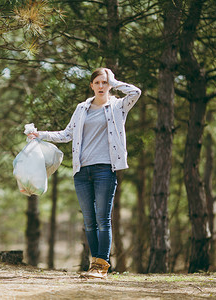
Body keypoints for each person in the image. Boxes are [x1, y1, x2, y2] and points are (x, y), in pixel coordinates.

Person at [27, 68, 141, 279]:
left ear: (109, 85)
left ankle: (101, 266)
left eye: (104, 83)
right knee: (89, 221)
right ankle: (95, 265)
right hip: (82, 171)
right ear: (91, 85)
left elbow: (136, 93)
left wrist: (115, 81)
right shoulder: (82, 108)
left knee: (102, 219)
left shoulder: (117, 106)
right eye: (97, 82)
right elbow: (67, 134)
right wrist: (40, 134)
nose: (101, 86)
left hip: (105, 169)